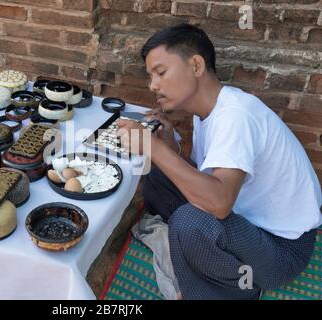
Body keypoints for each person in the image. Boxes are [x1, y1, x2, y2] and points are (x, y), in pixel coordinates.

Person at [116, 23, 322, 300]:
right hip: (246, 223)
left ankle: (236, 289)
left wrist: (154, 148)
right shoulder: (210, 111)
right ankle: (204, 259)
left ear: (196, 65)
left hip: (281, 251)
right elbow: (210, 180)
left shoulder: (236, 115)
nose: (153, 85)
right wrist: (170, 150)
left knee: (189, 222)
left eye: (161, 72)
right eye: (150, 76)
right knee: (160, 174)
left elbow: (219, 204)